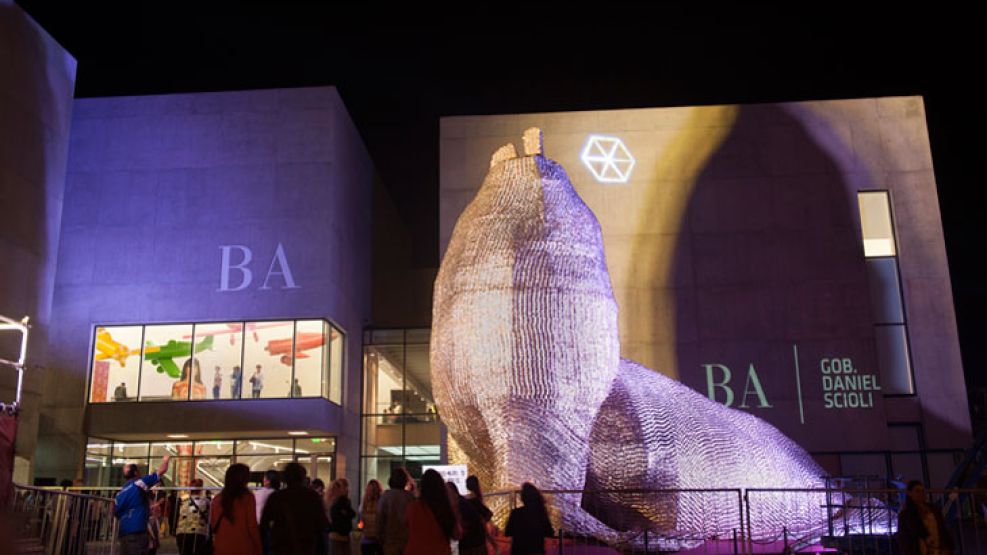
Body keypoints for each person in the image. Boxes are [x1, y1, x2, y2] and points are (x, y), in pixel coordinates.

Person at [260, 462, 328, 555]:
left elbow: (264, 523)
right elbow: (322, 524)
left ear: (285, 478)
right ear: (303, 478)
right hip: (305, 546)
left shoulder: (276, 497)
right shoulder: (312, 497)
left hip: (281, 547)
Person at [114, 455, 170, 555]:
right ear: (136, 473)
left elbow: (116, 512)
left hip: (124, 532)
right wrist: (165, 460)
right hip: (138, 530)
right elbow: (161, 471)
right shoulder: (139, 484)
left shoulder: (120, 492)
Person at [404, 469, 460, 555]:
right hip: (439, 551)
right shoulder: (445, 508)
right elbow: (457, 534)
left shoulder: (413, 508)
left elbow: (407, 532)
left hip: (415, 551)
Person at [210, 464, 262, 555]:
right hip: (243, 547)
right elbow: (252, 526)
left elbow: (213, 524)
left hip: (221, 546)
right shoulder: (248, 498)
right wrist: (258, 547)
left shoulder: (217, 499)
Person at [897, 480, 955, 555]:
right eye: (917, 491)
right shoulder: (905, 515)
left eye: (922, 491)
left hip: (938, 548)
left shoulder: (934, 510)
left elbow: (942, 528)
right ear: (910, 493)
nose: (921, 493)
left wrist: (948, 546)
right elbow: (904, 538)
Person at [504, 483, 554, 555]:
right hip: (536, 550)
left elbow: (508, 532)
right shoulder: (540, 513)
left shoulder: (516, 513)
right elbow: (549, 532)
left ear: (523, 498)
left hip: (519, 550)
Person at [376, 468, 414, 555]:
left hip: (390, 542)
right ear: (404, 481)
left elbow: (379, 521)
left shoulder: (385, 497)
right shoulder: (410, 498)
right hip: (407, 542)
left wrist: (380, 538)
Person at [175, 479, 210, 555]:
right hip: (199, 532)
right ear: (201, 489)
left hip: (182, 531)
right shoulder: (206, 502)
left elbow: (176, 515)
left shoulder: (181, 500)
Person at [455, 479, 489, 555]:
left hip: (470, 538)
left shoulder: (466, 500)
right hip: (478, 536)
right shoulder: (476, 498)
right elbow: (487, 514)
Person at [326, 478, 356, 554]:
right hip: (340, 535)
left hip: (335, 534)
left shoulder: (332, 502)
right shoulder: (341, 501)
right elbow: (351, 514)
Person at [358, 479, 383, 555]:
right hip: (379, 540)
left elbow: (361, 522)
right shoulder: (382, 502)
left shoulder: (364, 503)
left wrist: (359, 528)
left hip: (366, 539)